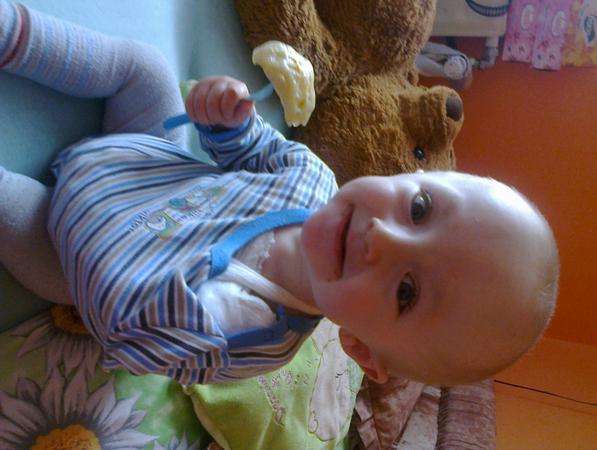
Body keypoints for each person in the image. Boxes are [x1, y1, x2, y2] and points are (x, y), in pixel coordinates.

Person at [0, 0, 559, 386]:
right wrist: (228, 119)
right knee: (144, 69)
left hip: (67, 246)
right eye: (419, 208)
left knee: (10, 216)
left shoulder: (252, 333)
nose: (382, 237)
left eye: (407, 291)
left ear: (360, 350)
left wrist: (162, 325)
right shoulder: (312, 178)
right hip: (143, 162)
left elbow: (132, 336)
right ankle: (11, 32)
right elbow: (253, 148)